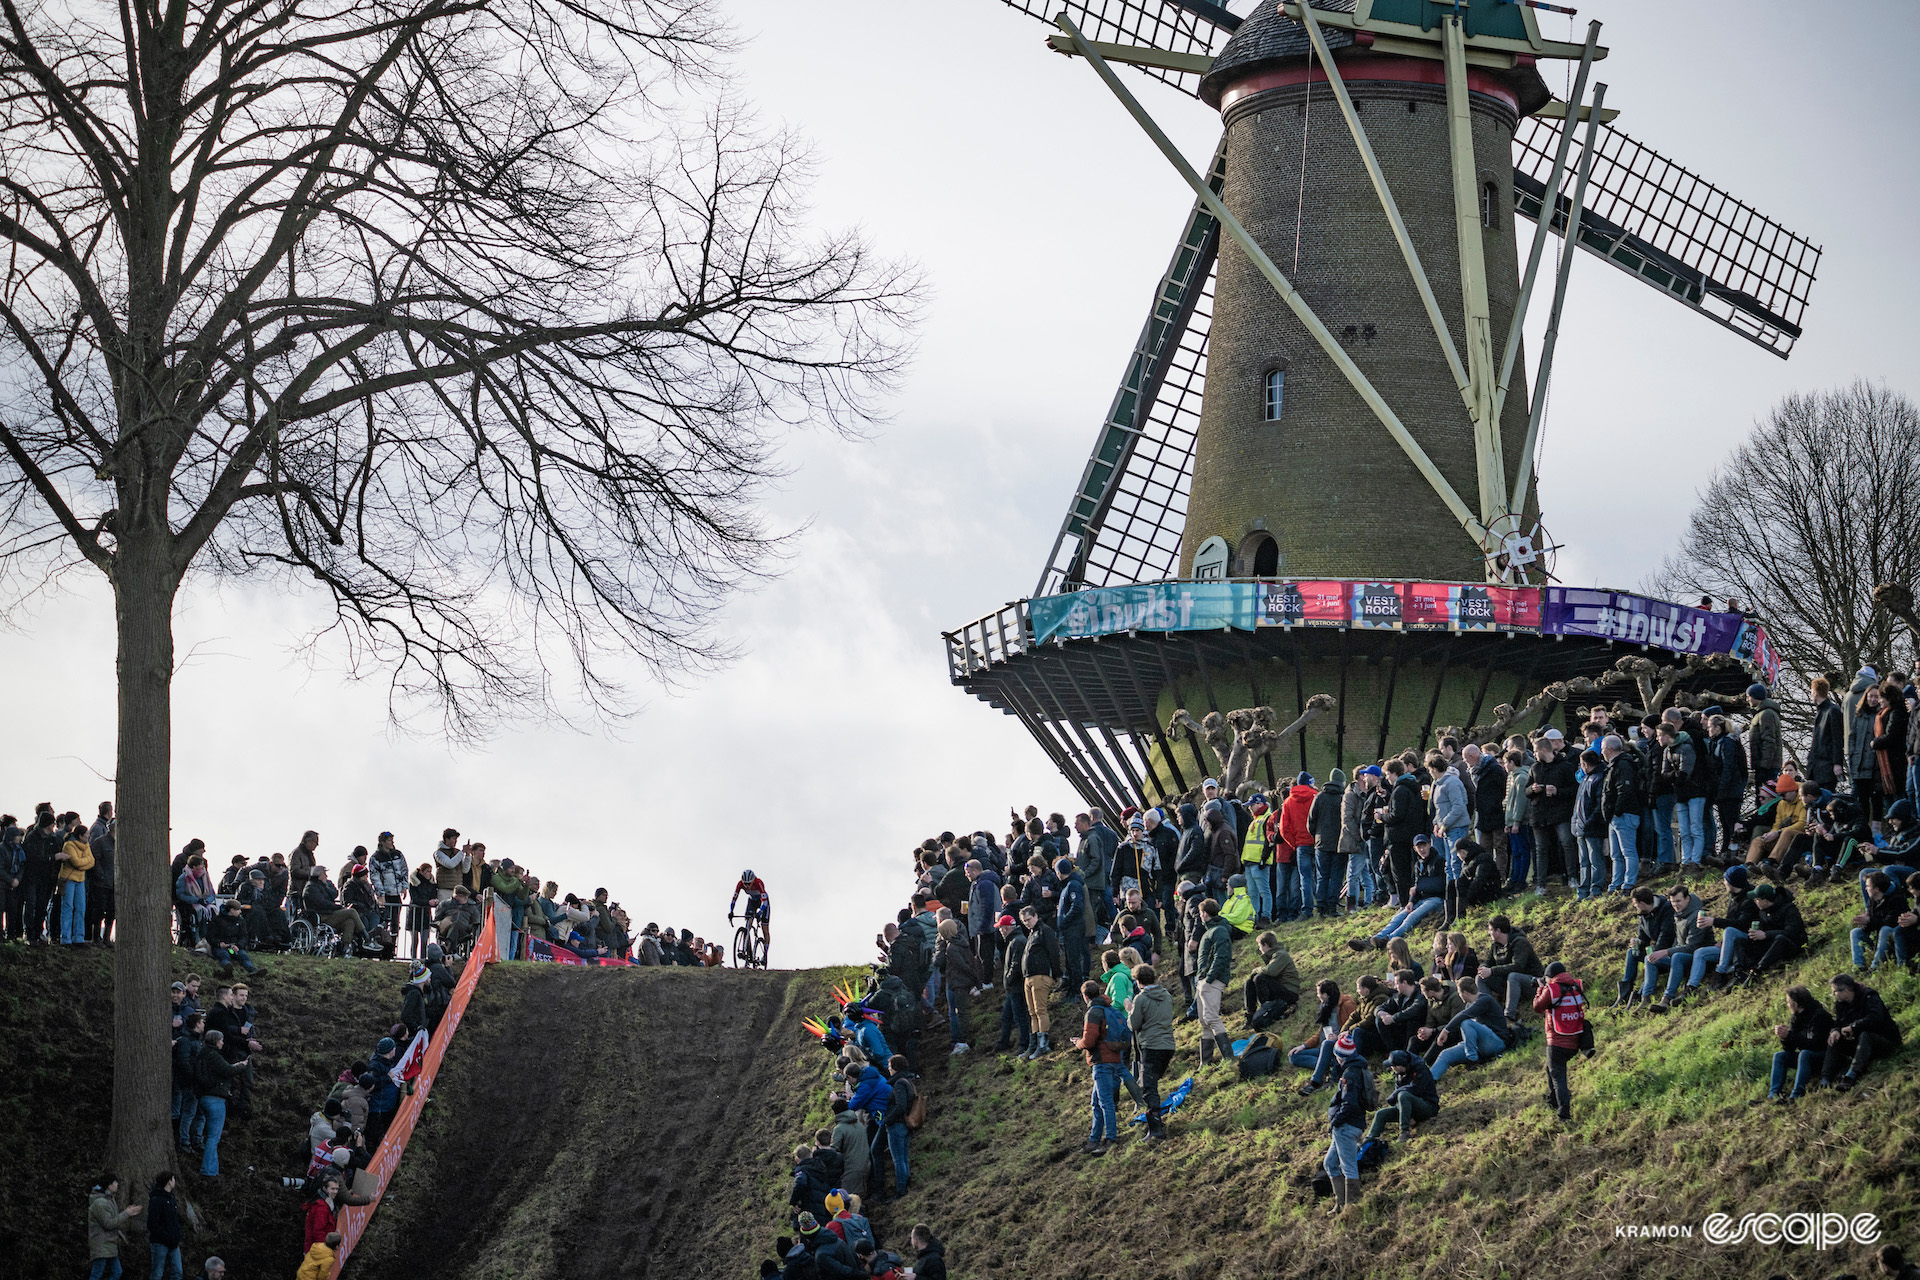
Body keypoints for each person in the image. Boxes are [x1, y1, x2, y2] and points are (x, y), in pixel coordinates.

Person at [1348, 834, 1445, 948]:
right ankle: (1373, 940)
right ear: (1415, 848)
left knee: (1412, 917)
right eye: (1419, 847)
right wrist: (1411, 902)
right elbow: (1416, 887)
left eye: (1424, 845)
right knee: (1398, 917)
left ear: (1429, 844)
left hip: (1436, 899)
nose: (1422, 849)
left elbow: (1440, 885)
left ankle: (1388, 939)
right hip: (1421, 899)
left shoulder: (1439, 860)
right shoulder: (1419, 864)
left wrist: (1419, 887)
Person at [1074, 978, 1133, 1155]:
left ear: (1085, 996)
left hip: (1101, 1061)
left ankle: (1111, 1138)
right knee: (1096, 1102)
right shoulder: (1111, 1009)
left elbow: (1089, 1040)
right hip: (1115, 1058)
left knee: (1105, 1102)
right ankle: (1093, 1139)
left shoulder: (1094, 1012)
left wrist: (1078, 1043)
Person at [1754, 984, 1833, 1105]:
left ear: (1795, 1003)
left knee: (1804, 1054)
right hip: (1807, 1056)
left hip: (1823, 1057)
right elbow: (1789, 1048)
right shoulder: (1796, 1017)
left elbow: (1816, 1044)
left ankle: (1796, 1094)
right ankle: (1773, 1094)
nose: (1787, 1005)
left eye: (1788, 1002)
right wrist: (1784, 1037)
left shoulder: (1820, 1016)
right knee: (1780, 1056)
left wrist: (1791, 1036)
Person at [1823, 973, 1902, 1091]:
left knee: (1866, 1035)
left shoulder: (1870, 996)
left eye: (1835, 991)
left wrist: (1853, 1027)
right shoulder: (1840, 1004)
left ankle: (1852, 1074)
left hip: (1885, 1039)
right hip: (1859, 1042)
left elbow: (1875, 1018)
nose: (1833, 995)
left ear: (1845, 990)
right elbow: (1838, 1022)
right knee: (1834, 1039)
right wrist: (1836, 1030)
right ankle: (1826, 1078)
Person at [1321, 1034, 1371, 1217]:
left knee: (1348, 1167)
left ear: (1341, 1056)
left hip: (1346, 1127)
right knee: (1330, 1163)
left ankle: (1351, 1208)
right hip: (1348, 1125)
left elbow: (1349, 1104)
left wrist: (1335, 1122)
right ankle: (1340, 1204)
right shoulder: (1357, 1069)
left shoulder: (1349, 1075)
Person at [1533, 961, 1588, 1122]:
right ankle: (1552, 1101)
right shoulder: (1576, 986)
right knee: (1551, 1069)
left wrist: (1540, 988)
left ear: (1550, 977)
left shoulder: (1551, 989)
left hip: (1557, 1041)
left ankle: (1564, 1114)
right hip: (1576, 1038)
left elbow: (1537, 1007)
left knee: (1559, 1078)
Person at [1526, 729, 1578, 893]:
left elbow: (1574, 789)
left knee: (1567, 844)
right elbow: (1526, 791)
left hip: (1560, 812)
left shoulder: (1565, 767)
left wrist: (1557, 791)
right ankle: (1540, 884)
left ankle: (1572, 877)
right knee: (1541, 849)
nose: (1534, 755)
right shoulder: (1534, 768)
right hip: (1539, 814)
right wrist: (1532, 789)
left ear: (1542, 750)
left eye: (1535, 751)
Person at [1128, 963, 1176, 1142]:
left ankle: (1155, 1129)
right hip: (1168, 1045)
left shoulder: (1140, 999)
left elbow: (1134, 1025)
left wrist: (1129, 1011)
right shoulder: (1167, 996)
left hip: (1151, 1046)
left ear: (1138, 981)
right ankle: (1157, 1123)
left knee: (1148, 1087)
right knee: (1153, 1082)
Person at [1428, 976, 1508, 1080]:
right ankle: (1429, 1081)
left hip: (1496, 1041)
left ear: (1465, 993)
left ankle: (1473, 1060)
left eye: (1459, 993)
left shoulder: (1485, 1000)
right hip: (1478, 1045)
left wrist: (1446, 1030)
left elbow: (1464, 1015)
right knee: (1445, 1054)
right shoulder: (1469, 1005)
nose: (1459, 995)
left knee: (1466, 1023)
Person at [1612, 887, 1676, 1011]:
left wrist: (1655, 952)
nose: (1635, 907)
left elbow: (1666, 935)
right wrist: (1638, 942)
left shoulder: (1666, 909)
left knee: (1649, 959)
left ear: (1642, 903)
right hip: (1657, 949)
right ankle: (1624, 994)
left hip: (1668, 952)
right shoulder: (1643, 914)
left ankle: (1639, 995)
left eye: (1636, 905)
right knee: (1631, 952)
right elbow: (1643, 936)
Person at [193, 1030, 248, 1175]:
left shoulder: (201, 1054)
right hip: (215, 1099)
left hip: (203, 1098)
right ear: (216, 1041)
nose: (223, 1043)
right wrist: (241, 1065)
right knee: (213, 1137)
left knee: (211, 1135)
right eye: (221, 1040)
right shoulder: (213, 1056)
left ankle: (213, 1169)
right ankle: (208, 1171)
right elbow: (227, 1070)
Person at [1362, 1048, 1439, 1142]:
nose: (1391, 1068)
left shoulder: (1421, 1070)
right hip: (1408, 1108)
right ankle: (1369, 1140)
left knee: (1403, 1095)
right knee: (1381, 1114)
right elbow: (1398, 1095)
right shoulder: (1399, 1074)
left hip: (1428, 1106)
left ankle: (1404, 1131)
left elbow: (1416, 1090)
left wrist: (1395, 1095)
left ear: (1399, 1066)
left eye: (1392, 1066)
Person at [1193, 896, 1235, 1066]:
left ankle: (1228, 1058)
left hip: (1212, 981)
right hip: (1205, 980)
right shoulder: (1213, 930)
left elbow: (1222, 956)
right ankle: (1206, 1062)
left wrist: (1209, 978)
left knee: (1211, 1018)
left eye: (1200, 913)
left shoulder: (1218, 931)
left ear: (1204, 913)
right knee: (1204, 1021)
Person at [1018, 904, 1061, 1059]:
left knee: (1040, 1010)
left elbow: (1054, 953)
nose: (1027, 923)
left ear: (1036, 916)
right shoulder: (1033, 933)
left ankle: (1042, 1045)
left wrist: (1056, 974)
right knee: (1032, 1012)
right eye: (1024, 921)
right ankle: (1034, 1044)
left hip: (1040, 975)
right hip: (1029, 976)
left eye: (1028, 919)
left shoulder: (1045, 931)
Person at [873, 1056, 915, 1201]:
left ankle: (900, 1190)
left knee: (898, 1159)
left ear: (895, 1067)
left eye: (890, 1065)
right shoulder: (907, 1081)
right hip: (905, 1124)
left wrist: (887, 1120)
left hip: (896, 1125)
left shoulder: (898, 1084)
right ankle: (905, 1184)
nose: (888, 1068)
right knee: (904, 1157)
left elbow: (900, 1105)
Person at [1242, 931, 1301, 1028]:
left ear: (1265, 945)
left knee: (1260, 978)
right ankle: (1250, 1014)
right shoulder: (1274, 955)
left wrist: (1256, 970)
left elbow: (1270, 971)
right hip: (1281, 989)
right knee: (1250, 982)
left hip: (1289, 992)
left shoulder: (1281, 955)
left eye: (1260, 946)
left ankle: (1265, 1008)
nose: (1259, 949)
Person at [732, 868, 772, 952]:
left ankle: (765, 953)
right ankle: (745, 948)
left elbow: (764, 902)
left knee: (765, 929)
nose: (746, 886)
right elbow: (734, 898)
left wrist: (760, 912)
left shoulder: (759, 883)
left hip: (763, 903)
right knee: (748, 924)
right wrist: (731, 911)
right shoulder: (740, 884)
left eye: (749, 883)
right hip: (752, 901)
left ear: (753, 881)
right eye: (745, 884)